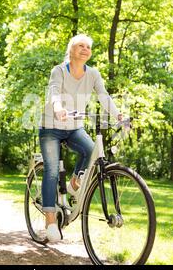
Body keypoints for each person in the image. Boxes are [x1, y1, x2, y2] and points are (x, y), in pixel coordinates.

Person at [39, 34, 123, 242]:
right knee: (51, 170)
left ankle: (73, 183)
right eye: (80, 46)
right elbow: (54, 92)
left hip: (74, 127)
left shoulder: (93, 74)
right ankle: (50, 220)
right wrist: (58, 108)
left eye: (88, 47)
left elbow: (104, 96)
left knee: (91, 150)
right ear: (71, 50)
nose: (85, 49)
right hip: (51, 126)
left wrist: (119, 115)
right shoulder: (59, 71)